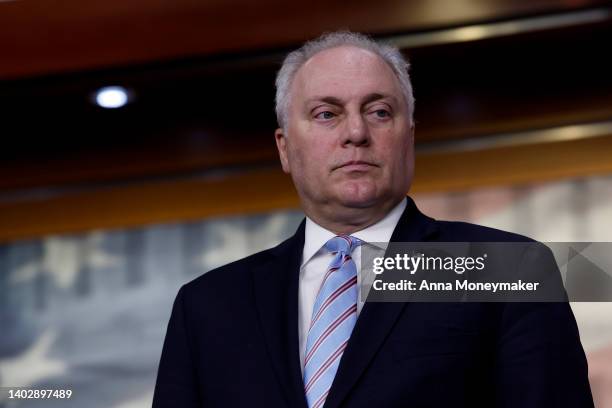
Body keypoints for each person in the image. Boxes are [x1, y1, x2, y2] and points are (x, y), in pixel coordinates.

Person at [153, 31, 593, 407]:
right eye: (326, 114)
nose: (357, 133)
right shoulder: (207, 306)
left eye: (379, 111)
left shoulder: (508, 269)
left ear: (410, 137)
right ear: (285, 148)